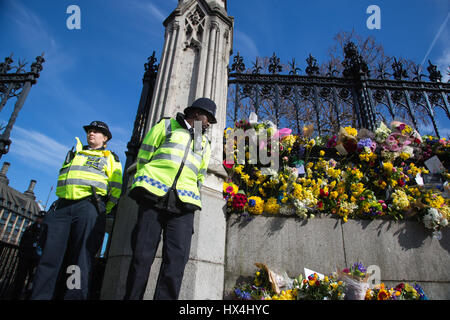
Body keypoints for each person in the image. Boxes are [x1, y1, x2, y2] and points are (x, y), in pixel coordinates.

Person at [124, 97, 216, 300]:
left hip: (184, 204)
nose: (209, 122)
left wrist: (191, 191)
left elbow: (200, 174)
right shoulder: (166, 125)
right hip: (153, 196)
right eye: (208, 117)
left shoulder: (204, 142)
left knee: (176, 262)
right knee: (141, 258)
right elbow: (144, 156)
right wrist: (145, 183)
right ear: (195, 113)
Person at [30, 121, 123, 300]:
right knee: (49, 257)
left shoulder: (111, 157)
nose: (91, 134)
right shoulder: (74, 152)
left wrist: (101, 209)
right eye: (90, 131)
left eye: (97, 132)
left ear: (105, 139)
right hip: (62, 207)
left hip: (89, 206)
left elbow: (116, 188)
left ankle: (73, 297)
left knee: (80, 260)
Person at [11, 211, 46, 300]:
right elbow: (22, 242)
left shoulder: (43, 231)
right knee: (20, 278)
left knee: (32, 280)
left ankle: (27, 295)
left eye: (42, 218)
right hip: (26, 257)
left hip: (35, 259)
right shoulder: (30, 229)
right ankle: (16, 295)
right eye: (39, 218)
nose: (40, 220)